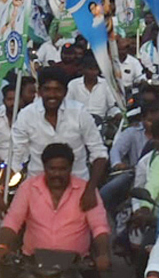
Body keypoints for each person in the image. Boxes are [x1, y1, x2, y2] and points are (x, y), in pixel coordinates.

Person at [0, 143, 112, 278]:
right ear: (44, 167)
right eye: (52, 168)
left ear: (71, 168)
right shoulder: (29, 188)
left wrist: (103, 254)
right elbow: (13, 221)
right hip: (32, 264)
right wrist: (3, 245)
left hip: (76, 266)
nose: (57, 174)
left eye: (62, 169)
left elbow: (99, 226)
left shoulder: (86, 191)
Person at [8, 67, 107, 207]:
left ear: (65, 92)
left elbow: (99, 153)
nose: (52, 95)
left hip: (78, 189)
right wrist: (1, 187)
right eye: (47, 89)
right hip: (37, 189)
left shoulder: (79, 113)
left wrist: (90, 190)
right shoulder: (26, 115)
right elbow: (16, 157)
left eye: (57, 90)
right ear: (40, 91)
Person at [65, 54, 122, 118]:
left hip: (101, 121)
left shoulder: (106, 84)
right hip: (78, 120)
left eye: (95, 69)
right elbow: (67, 104)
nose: (93, 72)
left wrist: (117, 113)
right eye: (90, 69)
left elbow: (112, 106)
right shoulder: (73, 84)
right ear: (83, 70)